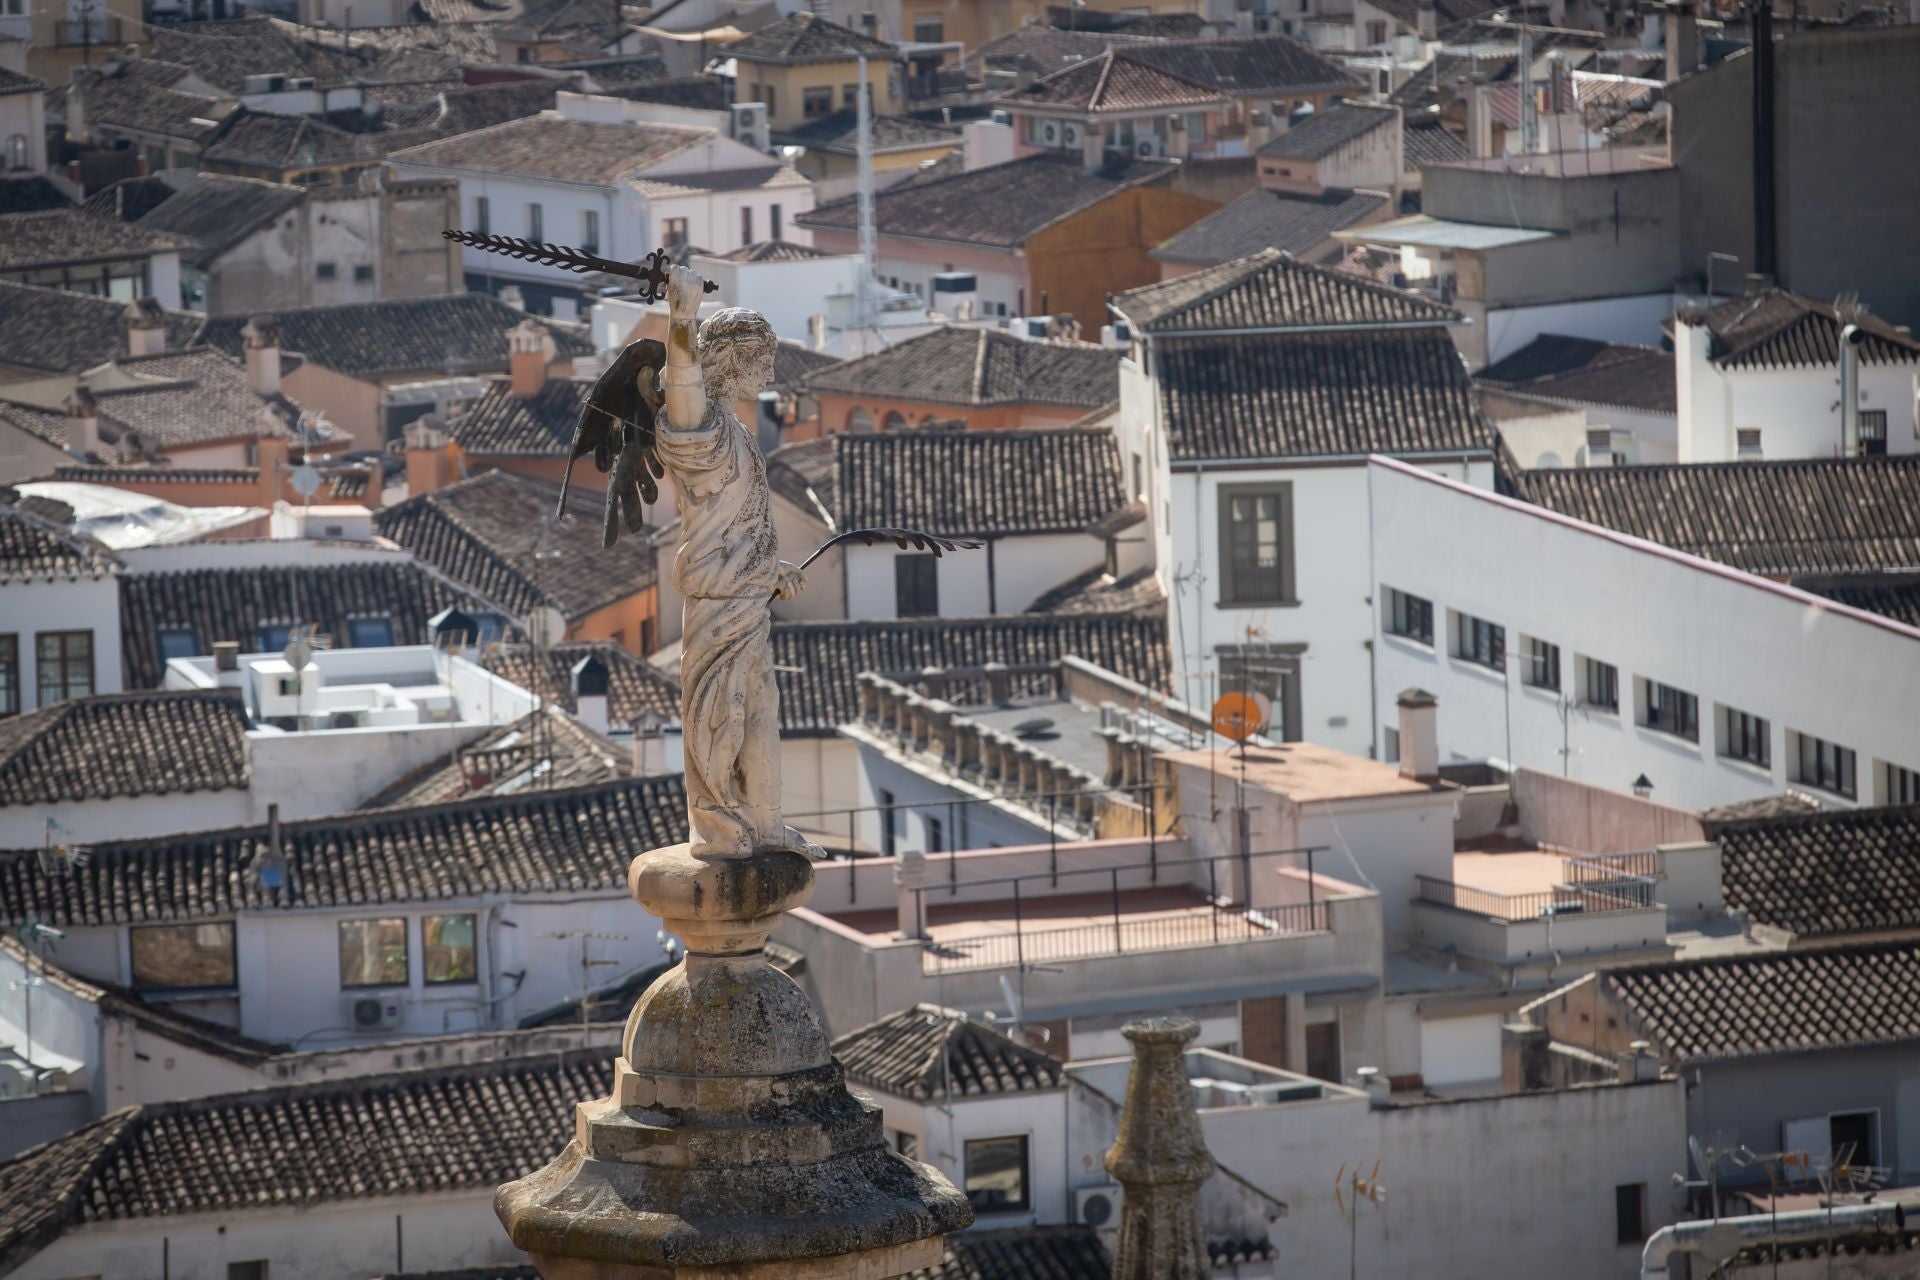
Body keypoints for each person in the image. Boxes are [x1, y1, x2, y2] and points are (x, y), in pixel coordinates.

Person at [655, 265, 807, 857]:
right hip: (718, 604)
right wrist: (682, 321)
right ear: (734, 361)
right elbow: (682, 395)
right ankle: (719, 827)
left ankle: (766, 823)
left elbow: (741, 526)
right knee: (723, 716)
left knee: (760, 710)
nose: (769, 372)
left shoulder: (738, 433)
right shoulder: (707, 431)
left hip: (746, 598)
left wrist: (773, 570)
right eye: (761, 358)